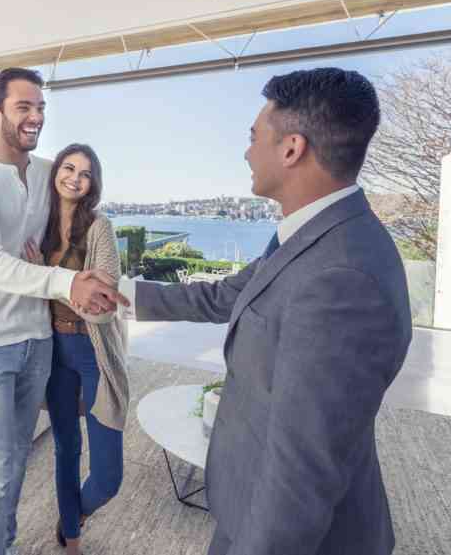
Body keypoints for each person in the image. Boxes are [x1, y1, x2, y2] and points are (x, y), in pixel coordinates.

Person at [115, 67, 413, 555]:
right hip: (244, 498)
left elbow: (301, 471)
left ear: (292, 148)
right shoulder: (310, 236)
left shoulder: (341, 280)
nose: (247, 151)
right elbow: (226, 296)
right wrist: (122, 293)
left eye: (254, 137)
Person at [0, 68, 126, 555]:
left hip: (39, 339)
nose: (35, 117)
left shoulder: (49, 172)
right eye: (24, 107)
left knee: (18, 464)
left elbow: (75, 225)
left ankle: (2, 545)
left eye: (40, 107)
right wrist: (65, 281)